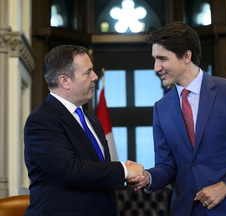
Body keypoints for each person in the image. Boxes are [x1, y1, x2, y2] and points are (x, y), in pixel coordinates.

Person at [127, 22, 226, 216]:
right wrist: (148, 177)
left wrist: (225, 186)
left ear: (186, 56)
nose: (156, 68)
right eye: (154, 59)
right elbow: (167, 166)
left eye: (162, 59)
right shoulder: (161, 108)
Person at [24, 45, 145, 216]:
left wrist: (126, 175)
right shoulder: (41, 120)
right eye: (87, 72)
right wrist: (123, 171)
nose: (95, 77)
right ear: (65, 81)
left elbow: (97, 170)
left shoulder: (92, 119)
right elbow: (70, 170)